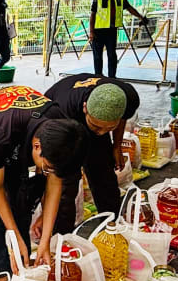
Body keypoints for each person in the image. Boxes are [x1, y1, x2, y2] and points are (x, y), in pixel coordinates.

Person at [0, 85, 85, 273]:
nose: (47, 172)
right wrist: (14, 238)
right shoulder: (1, 133)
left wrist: (45, 242)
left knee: (20, 203)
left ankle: (23, 267)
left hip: (19, 134)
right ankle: (2, 274)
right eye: (47, 168)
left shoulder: (62, 130)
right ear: (37, 146)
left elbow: (54, 186)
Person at [43, 75, 140, 232]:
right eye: (97, 127)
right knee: (68, 181)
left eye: (108, 128)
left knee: (103, 172)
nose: (102, 133)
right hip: (64, 119)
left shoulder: (128, 97)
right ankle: (61, 236)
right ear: (85, 107)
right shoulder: (62, 107)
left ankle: (112, 225)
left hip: (92, 116)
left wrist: (116, 147)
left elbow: (120, 120)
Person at [89, 0, 148, 78]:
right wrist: (91, 32)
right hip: (98, 31)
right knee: (97, 56)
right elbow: (93, 14)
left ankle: (112, 77)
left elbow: (129, 8)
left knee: (112, 55)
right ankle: (98, 76)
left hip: (112, 30)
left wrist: (141, 17)